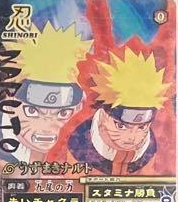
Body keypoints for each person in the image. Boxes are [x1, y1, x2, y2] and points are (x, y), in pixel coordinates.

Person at [0, 20, 92, 164]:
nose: (47, 127)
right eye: (32, 111)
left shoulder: (86, 151)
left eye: (63, 113)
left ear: (79, 107)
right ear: (10, 104)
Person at [67, 47, 172, 175]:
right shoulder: (79, 143)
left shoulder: (149, 148)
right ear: (104, 115)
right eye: (121, 126)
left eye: (142, 127)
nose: (131, 137)